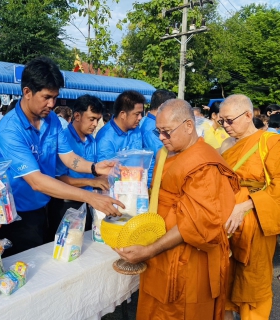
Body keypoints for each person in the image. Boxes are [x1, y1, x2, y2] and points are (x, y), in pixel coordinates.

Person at [115, 99, 239, 320]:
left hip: (188, 260)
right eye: (158, 131)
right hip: (160, 249)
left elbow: (198, 222)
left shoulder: (204, 164)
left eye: (167, 132)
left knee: (183, 311)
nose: (162, 138)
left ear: (189, 126)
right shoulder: (166, 152)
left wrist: (151, 250)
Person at [0, 57, 124, 256]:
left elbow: (69, 157)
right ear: (27, 92)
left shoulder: (51, 119)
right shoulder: (10, 129)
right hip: (19, 214)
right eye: (46, 97)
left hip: (46, 206)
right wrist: (90, 197)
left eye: (55, 97)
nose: (51, 104)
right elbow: (36, 181)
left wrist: (94, 168)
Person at [219, 94, 280, 320]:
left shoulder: (270, 143)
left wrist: (247, 204)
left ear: (247, 116)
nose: (225, 126)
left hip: (257, 222)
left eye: (229, 120)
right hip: (225, 223)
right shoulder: (226, 144)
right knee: (223, 281)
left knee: (252, 284)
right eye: (221, 121)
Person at [48, 94, 109, 237]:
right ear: (77, 116)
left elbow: (94, 171)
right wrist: (92, 182)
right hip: (66, 203)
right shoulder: (63, 139)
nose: (95, 124)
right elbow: (58, 179)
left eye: (98, 120)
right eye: (92, 119)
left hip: (87, 201)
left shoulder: (91, 140)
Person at [95, 90, 145, 161]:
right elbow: (106, 169)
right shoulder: (105, 139)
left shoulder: (135, 129)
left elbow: (138, 158)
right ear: (123, 114)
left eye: (141, 114)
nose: (140, 118)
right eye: (137, 114)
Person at [140, 89, 176, 185]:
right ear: (162, 107)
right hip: (152, 180)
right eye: (172, 109)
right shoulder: (151, 129)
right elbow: (163, 153)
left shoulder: (150, 123)